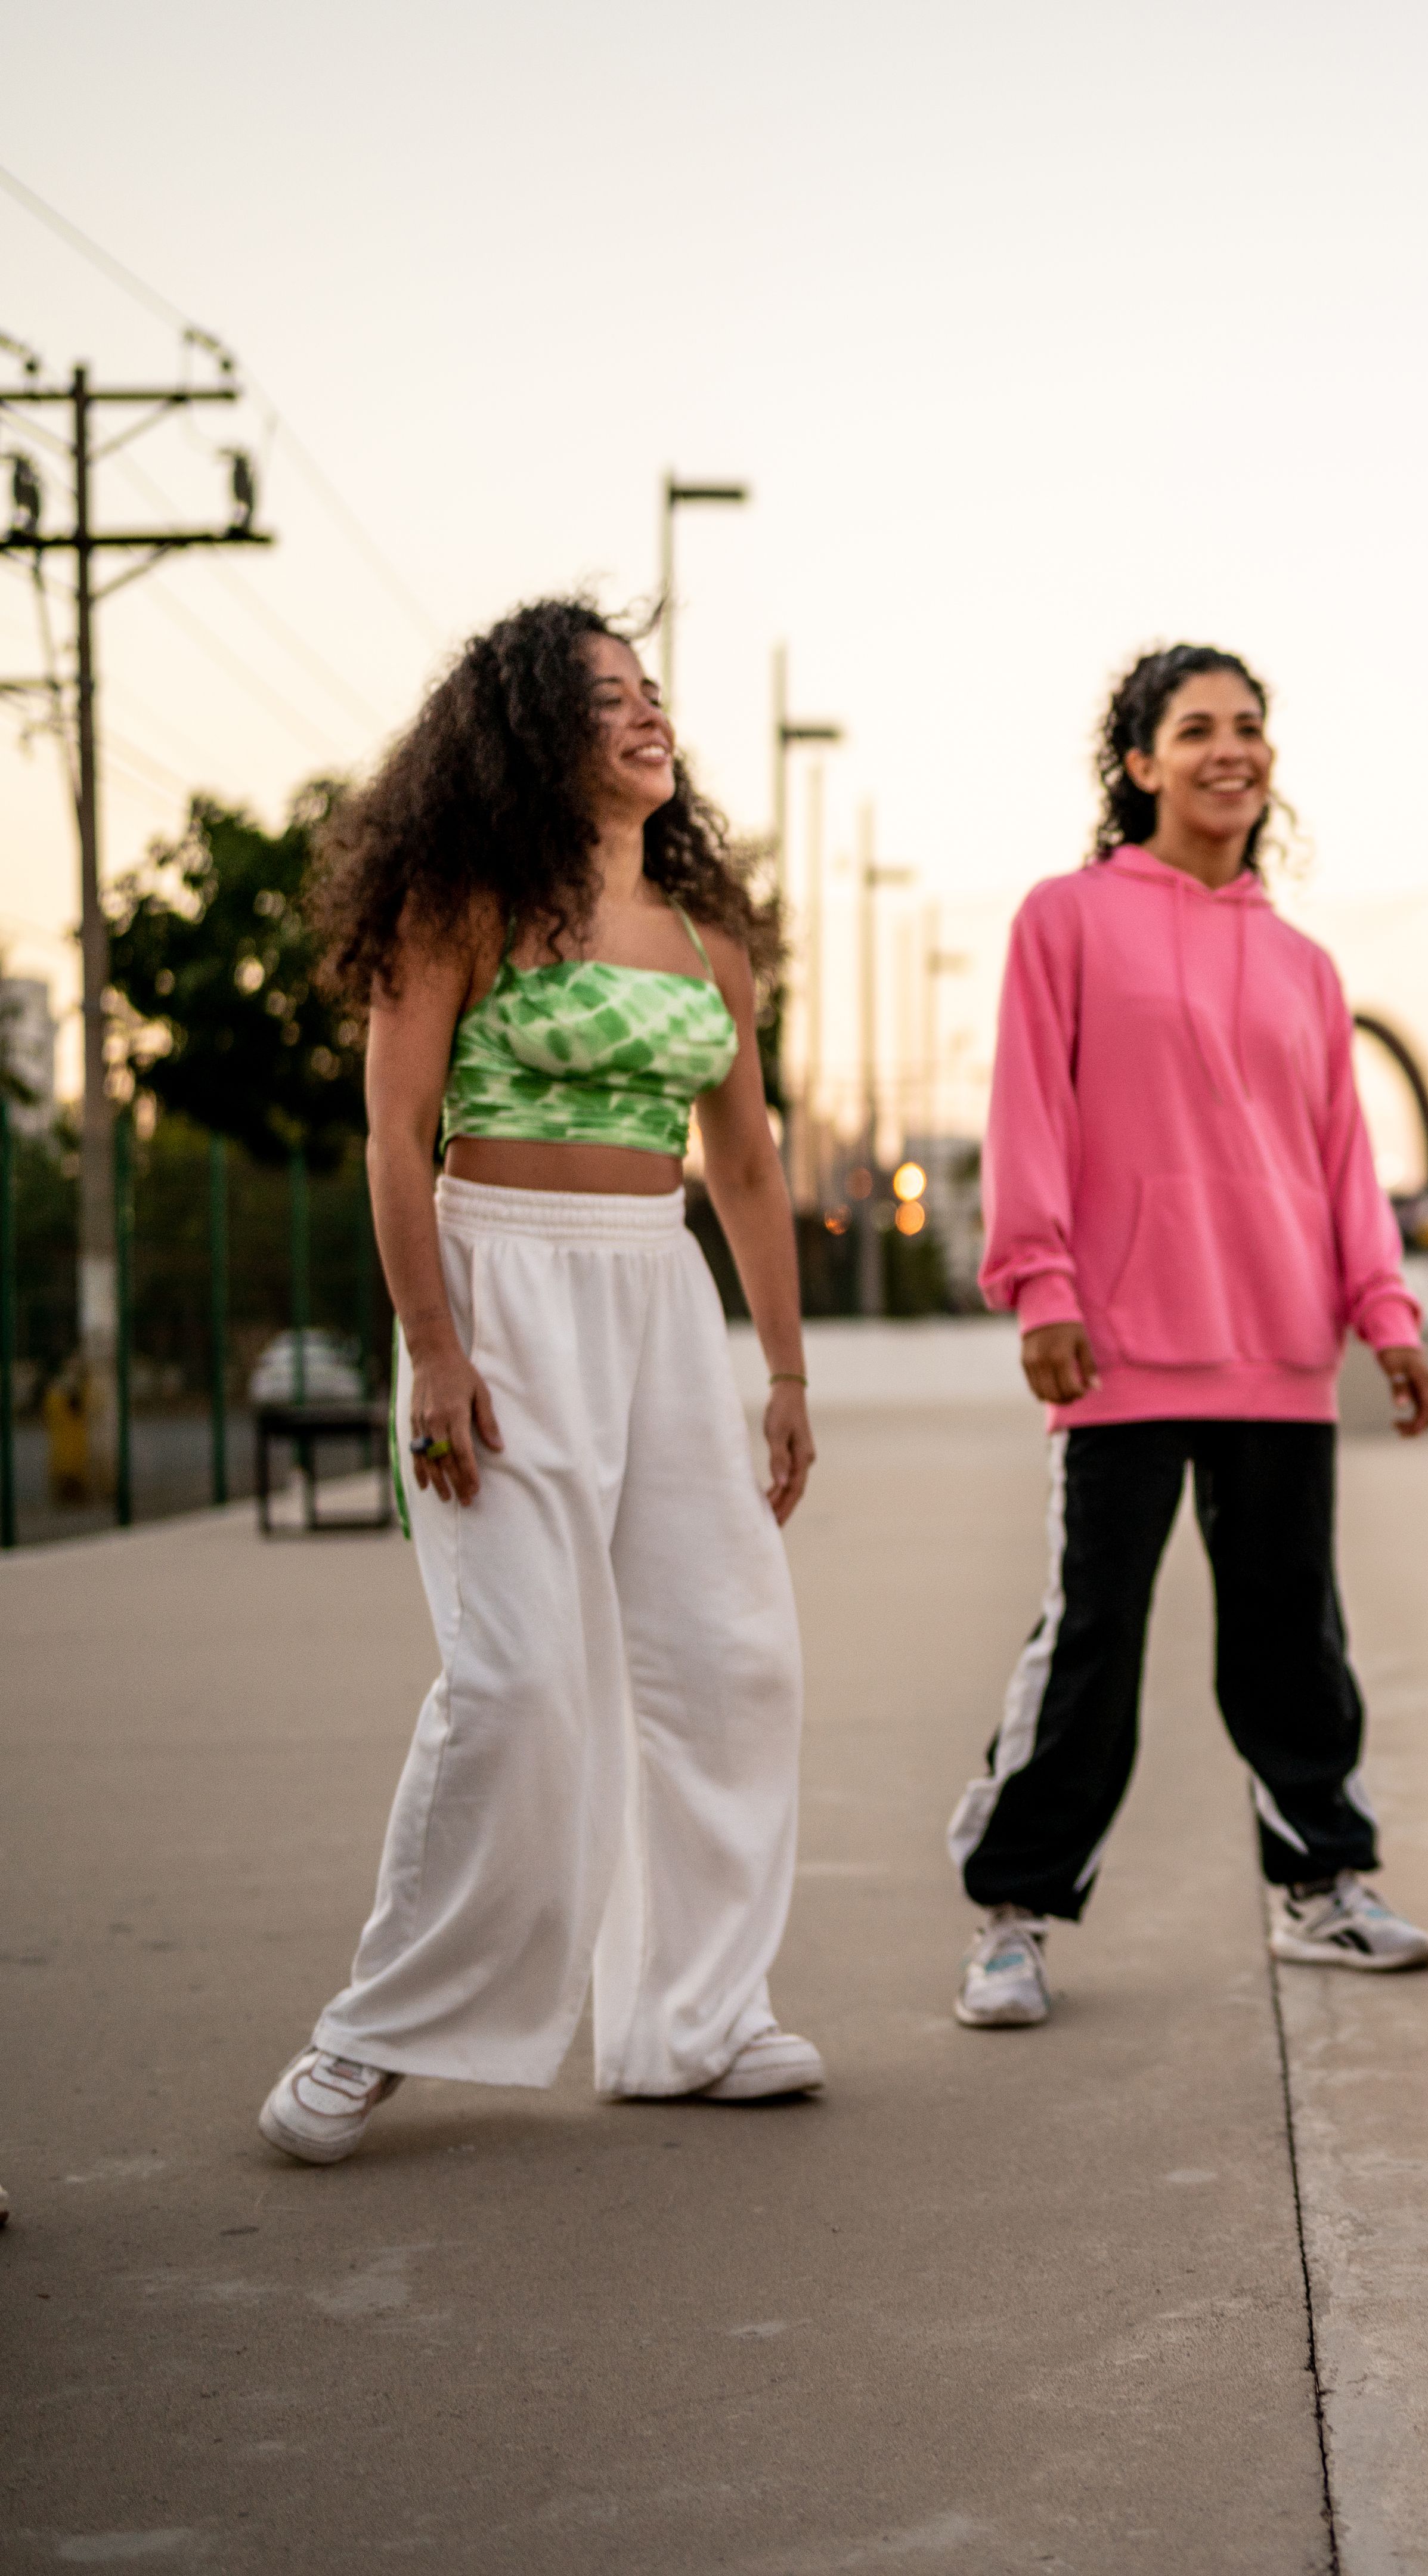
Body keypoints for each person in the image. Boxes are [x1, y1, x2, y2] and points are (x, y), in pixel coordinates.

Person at [260, 599, 820, 2166]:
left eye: (650, 692)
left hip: (659, 1294)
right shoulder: (462, 905)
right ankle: (373, 2032)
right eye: (604, 699)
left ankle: (696, 2023)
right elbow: (395, 1136)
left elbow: (752, 1169)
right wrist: (433, 1344)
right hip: (497, 1284)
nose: (645, 715)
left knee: (732, 1658)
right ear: (527, 733)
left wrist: (781, 1371)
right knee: (512, 1687)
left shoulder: (710, 936)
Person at [947, 644, 1428, 2030]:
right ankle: (1016, 1917)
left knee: (1293, 1636)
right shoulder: (1067, 919)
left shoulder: (1303, 962)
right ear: (1139, 763)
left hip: (1282, 1349)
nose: (1231, 748)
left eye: (1249, 726)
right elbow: (1027, 1115)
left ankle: (1323, 1888)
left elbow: (1344, 1156)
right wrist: (1040, 1285)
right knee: (1094, 1638)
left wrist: (1383, 1314)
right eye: (1196, 728)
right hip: (1119, 1347)